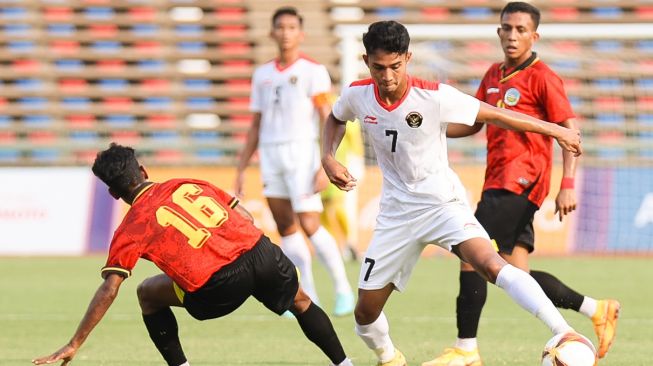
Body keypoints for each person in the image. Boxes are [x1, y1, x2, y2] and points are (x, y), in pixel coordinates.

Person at [321, 20, 587, 366]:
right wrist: (327, 157)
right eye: (378, 67)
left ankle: (563, 331)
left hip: (442, 205)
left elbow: (499, 116)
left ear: (408, 58)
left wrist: (556, 131)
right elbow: (335, 118)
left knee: (490, 263)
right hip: (395, 215)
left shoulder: (434, 96)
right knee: (364, 315)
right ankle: (389, 358)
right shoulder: (357, 94)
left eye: (395, 67)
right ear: (366, 60)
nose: (387, 76)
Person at [32, 143, 354, 366]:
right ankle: (345, 362)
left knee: (147, 293)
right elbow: (245, 217)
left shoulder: (129, 229)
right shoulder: (186, 182)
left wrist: (75, 342)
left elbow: (110, 288)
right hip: (261, 253)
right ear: (143, 170)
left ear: (114, 193)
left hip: (218, 286)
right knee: (301, 302)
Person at [425, 3, 620, 365]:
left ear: (534, 35)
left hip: (522, 180)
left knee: (472, 255)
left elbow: (570, 132)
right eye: (506, 28)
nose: (512, 35)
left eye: (519, 29)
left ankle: (465, 349)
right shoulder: (492, 74)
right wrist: (426, 127)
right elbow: (473, 123)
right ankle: (597, 309)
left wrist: (569, 183)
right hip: (497, 180)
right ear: (498, 32)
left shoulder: (543, 77)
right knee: (515, 272)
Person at [235, 6, 354, 316]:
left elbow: (326, 117)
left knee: (310, 223)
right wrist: (241, 168)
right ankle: (307, 293)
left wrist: (325, 160)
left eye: (291, 27)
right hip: (271, 154)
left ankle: (342, 287)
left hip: (302, 152)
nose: (285, 33)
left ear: (300, 33)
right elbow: (256, 124)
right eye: (280, 27)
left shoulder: (312, 71)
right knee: (286, 226)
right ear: (272, 32)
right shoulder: (262, 74)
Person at [321, 121, 366, 262]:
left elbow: (354, 139)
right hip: (326, 164)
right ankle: (334, 247)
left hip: (343, 163)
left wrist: (358, 161)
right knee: (324, 208)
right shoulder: (326, 102)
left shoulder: (343, 107)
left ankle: (350, 244)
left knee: (343, 207)